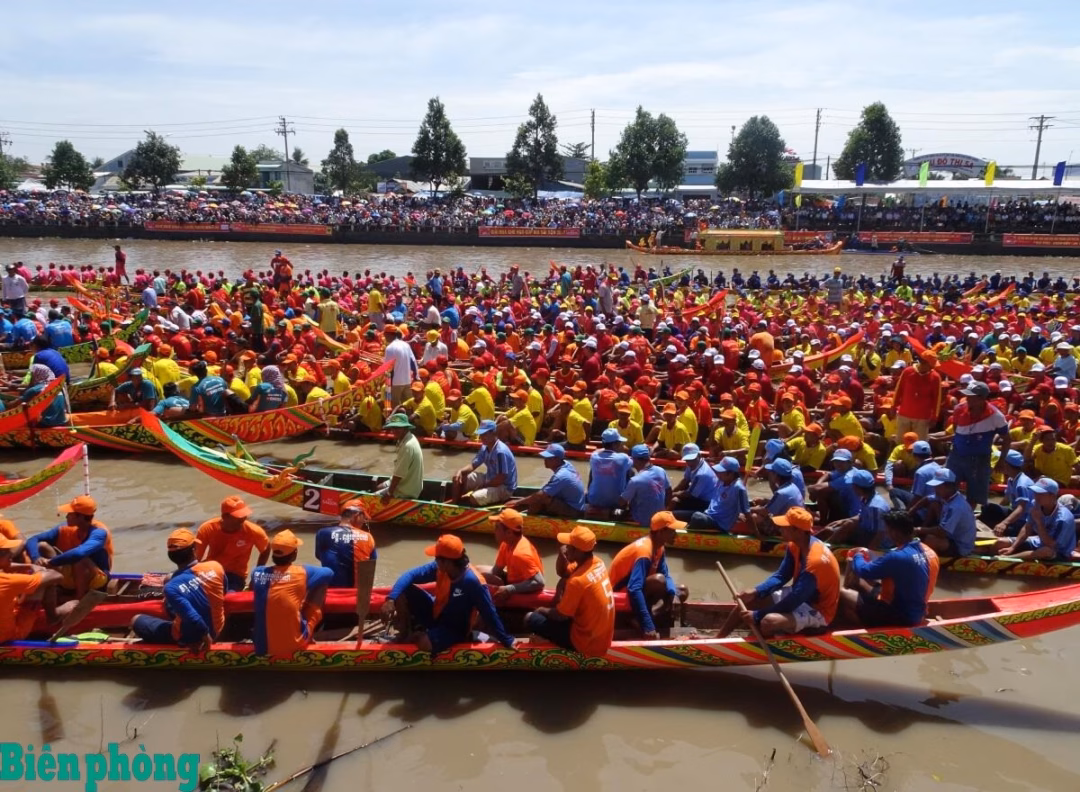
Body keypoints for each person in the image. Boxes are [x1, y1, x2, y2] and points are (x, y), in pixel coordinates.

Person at [717, 507, 840, 638]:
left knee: (768, 621)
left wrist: (758, 615)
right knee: (750, 600)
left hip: (818, 610)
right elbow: (782, 575)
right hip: (801, 596)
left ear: (797, 531)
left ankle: (774, 644)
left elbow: (794, 600)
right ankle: (718, 639)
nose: (780, 529)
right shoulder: (795, 544)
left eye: (784, 526)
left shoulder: (815, 562)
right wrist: (756, 591)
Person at [381, 534, 515, 653]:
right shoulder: (439, 568)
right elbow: (409, 575)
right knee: (403, 589)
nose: (435, 562)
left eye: (437, 559)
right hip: (436, 613)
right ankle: (404, 634)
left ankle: (417, 636)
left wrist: (506, 640)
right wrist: (391, 599)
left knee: (424, 643)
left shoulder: (473, 582)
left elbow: (489, 613)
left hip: (455, 629)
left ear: (446, 562)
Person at [523, 526, 614, 657]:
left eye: (569, 545)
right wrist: (562, 555)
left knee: (529, 618)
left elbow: (561, 616)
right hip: (599, 634)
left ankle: (534, 645)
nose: (565, 546)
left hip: (585, 643)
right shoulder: (598, 563)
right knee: (563, 582)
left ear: (577, 551)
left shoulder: (577, 582)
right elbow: (563, 572)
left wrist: (541, 610)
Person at [839, 510, 939, 627]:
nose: (886, 533)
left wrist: (858, 555)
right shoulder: (930, 551)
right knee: (858, 582)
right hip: (919, 610)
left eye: (887, 530)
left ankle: (864, 632)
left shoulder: (897, 557)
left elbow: (863, 571)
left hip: (901, 616)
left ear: (894, 533)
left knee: (842, 593)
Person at [130, 529, 226, 649]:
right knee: (171, 586)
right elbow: (223, 593)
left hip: (196, 636)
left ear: (171, 556)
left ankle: (179, 636)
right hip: (219, 626)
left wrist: (205, 637)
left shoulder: (171, 587)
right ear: (194, 550)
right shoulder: (215, 566)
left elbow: (193, 617)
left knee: (136, 620)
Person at [252, 530, 333, 657]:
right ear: (294, 554)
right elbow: (329, 572)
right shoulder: (302, 572)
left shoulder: (257, 572)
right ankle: (309, 632)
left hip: (261, 645)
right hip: (295, 644)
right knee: (322, 582)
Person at [609, 511, 689, 639]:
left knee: (682, 591)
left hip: (636, 590)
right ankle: (640, 620)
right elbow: (634, 589)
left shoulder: (659, 547)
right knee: (659, 580)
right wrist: (648, 626)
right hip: (618, 595)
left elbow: (666, 574)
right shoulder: (644, 551)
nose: (676, 535)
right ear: (661, 532)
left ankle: (646, 617)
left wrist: (672, 593)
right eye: (673, 531)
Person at [25, 495, 112, 598]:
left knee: (80, 560)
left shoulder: (99, 533)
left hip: (97, 579)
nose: (66, 516)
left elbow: (79, 553)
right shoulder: (64, 528)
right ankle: (54, 587)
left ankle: (79, 598)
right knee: (42, 546)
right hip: (72, 573)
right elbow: (33, 539)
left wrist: (50, 562)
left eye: (70, 514)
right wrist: (36, 558)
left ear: (80, 517)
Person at [947, 381, 1010, 507]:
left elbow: (1007, 439)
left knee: (975, 495)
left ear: (982, 398)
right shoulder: (959, 409)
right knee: (947, 487)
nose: (967, 399)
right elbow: (955, 430)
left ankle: (968, 519)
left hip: (980, 459)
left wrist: (1001, 460)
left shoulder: (996, 416)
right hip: (956, 455)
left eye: (971, 396)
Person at [194, 495, 270, 592]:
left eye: (244, 515)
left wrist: (256, 576)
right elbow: (196, 559)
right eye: (239, 516)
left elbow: (266, 548)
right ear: (225, 516)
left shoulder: (254, 531)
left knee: (229, 597)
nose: (243, 519)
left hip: (235, 575)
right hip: (211, 570)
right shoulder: (207, 529)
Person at [994, 478, 1078, 561]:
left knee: (1045, 551)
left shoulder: (1063, 518)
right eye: (1036, 492)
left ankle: (1007, 558)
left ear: (1052, 495)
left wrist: (1039, 521)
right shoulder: (1036, 505)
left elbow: (1051, 545)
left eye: (1041, 493)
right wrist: (1013, 547)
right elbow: (1027, 527)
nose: (1036, 496)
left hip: (1058, 552)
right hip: (1038, 541)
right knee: (1000, 542)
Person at [0, 533, 63, 643]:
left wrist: (29, 566)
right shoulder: (6, 580)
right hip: (9, 636)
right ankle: (53, 616)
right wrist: (40, 570)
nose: (11, 554)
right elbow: (57, 576)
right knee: (42, 584)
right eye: (7, 552)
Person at [476, 508, 545, 602]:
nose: (494, 531)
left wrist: (509, 589)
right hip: (513, 580)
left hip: (525, 590)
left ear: (509, 533)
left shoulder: (521, 554)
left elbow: (539, 582)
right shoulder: (506, 543)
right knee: (476, 570)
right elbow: (496, 571)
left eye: (497, 527)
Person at [451, 420, 517, 506]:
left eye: (485, 434)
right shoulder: (484, 447)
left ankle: (466, 506)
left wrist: (483, 486)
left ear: (494, 433)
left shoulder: (500, 452)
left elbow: (501, 478)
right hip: (490, 478)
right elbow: (473, 465)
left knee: (475, 497)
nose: (482, 437)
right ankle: (454, 504)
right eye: (481, 434)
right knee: (459, 478)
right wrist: (460, 471)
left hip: (504, 487)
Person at [508, 444, 585, 518]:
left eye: (548, 458)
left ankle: (528, 518)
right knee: (541, 495)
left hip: (574, 511)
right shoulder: (567, 464)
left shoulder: (560, 476)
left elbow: (540, 496)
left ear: (557, 459)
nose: (545, 460)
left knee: (540, 499)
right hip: (576, 504)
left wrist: (517, 502)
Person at [314, 499, 377, 587]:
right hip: (356, 595)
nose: (364, 521)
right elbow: (370, 566)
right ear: (357, 515)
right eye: (364, 518)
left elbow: (319, 556)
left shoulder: (323, 533)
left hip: (331, 592)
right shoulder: (368, 537)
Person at [916, 469, 977, 558]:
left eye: (937, 487)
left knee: (930, 539)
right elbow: (929, 498)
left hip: (960, 547)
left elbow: (942, 532)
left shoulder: (956, 507)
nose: (935, 489)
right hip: (951, 537)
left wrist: (918, 529)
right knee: (933, 505)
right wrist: (909, 513)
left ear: (947, 486)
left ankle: (929, 561)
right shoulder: (950, 497)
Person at [686, 456, 750, 533]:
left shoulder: (739, 488)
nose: (718, 473)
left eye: (721, 472)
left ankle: (687, 532)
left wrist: (757, 534)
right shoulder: (722, 481)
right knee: (679, 514)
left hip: (720, 524)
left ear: (730, 473)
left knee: (697, 517)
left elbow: (747, 513)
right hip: (709, 515)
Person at [982, 449, 1035, 537]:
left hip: (1025, 520)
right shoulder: (1011, 479)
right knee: (988, 507)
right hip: (1015, 513)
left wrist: (1004, 523)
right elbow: (1006, 500)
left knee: (1009, 531)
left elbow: (1021, 508)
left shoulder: (1021, 484)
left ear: (1006, 464)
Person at [585, 427, 634, 518]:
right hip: (615, 502)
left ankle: (591, 497)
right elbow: (633, 466)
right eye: (619, 443)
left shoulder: (594, 456)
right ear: (615, 444)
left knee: (593, 471)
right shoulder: (623, 458)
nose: (621, 445)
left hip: (594, 500)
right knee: (630, 472)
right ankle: (624, 503)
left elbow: (598, 453)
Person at [618, 444, 671, 527]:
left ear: (635, 460)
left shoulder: (635, 480)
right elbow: (669, 491)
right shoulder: (661, 470)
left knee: (614, 512)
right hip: (659, 518)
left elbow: (621, 502)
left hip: (642, 520)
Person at [378, 413, 425, 501]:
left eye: (398, 428)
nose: (394, 431)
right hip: (409, 481)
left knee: (375, 497)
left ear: (405, 428)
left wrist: (389, 493)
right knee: (378, 487)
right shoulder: (407, 438)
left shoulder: (408, 446)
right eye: (393, 427)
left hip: (407, 489)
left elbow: (398, 475)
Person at [670, 443, 719, 514]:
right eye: (687, 459)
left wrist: (673, 494)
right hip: (697, 496)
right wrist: (672, 491)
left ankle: (665, 517)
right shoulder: (692, 465)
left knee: (674, 501)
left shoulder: (702, 474)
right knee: (671, 497)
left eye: (692, 459)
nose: (689, 462)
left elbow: (690, 494)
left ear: (699, 455)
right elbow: (685, 480)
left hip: (707, 503)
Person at [384, 325, 419, 406]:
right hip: (407, 381)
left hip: (395, 383)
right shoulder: (406, 345)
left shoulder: (390, 348)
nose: (384, 337)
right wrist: (416, 377)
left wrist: (388, 384)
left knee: (394, 407)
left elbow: (388, 368)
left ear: (389, 334)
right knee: (408, 406)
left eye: (385, 335)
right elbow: (413, 362)